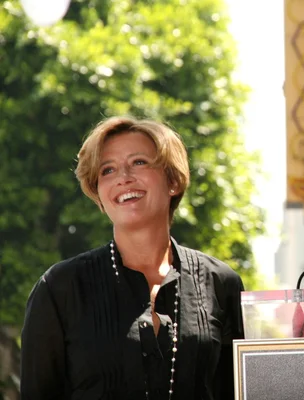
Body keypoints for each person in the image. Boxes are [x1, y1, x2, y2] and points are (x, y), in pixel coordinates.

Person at [20, 116, 245, 399]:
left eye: (139, 162)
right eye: (107, 170)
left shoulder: (222, 284)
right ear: (99, 194)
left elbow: (238, 390)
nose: (123, 177)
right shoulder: (59, 287)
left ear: (173, 180)